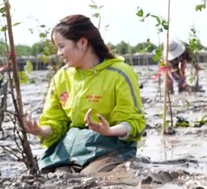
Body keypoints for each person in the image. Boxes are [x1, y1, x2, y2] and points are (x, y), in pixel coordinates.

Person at [22, 15, 145, 174]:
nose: (59, 53)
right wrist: (39, 130)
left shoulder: (120, 73)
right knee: (54, 177)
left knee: (88, 178)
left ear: (83, 42)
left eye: (61, 46)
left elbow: (133, 121)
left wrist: (109, 130)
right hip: (72, 148)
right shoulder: (62, 77)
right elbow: (55, 121)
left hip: (111, 146)